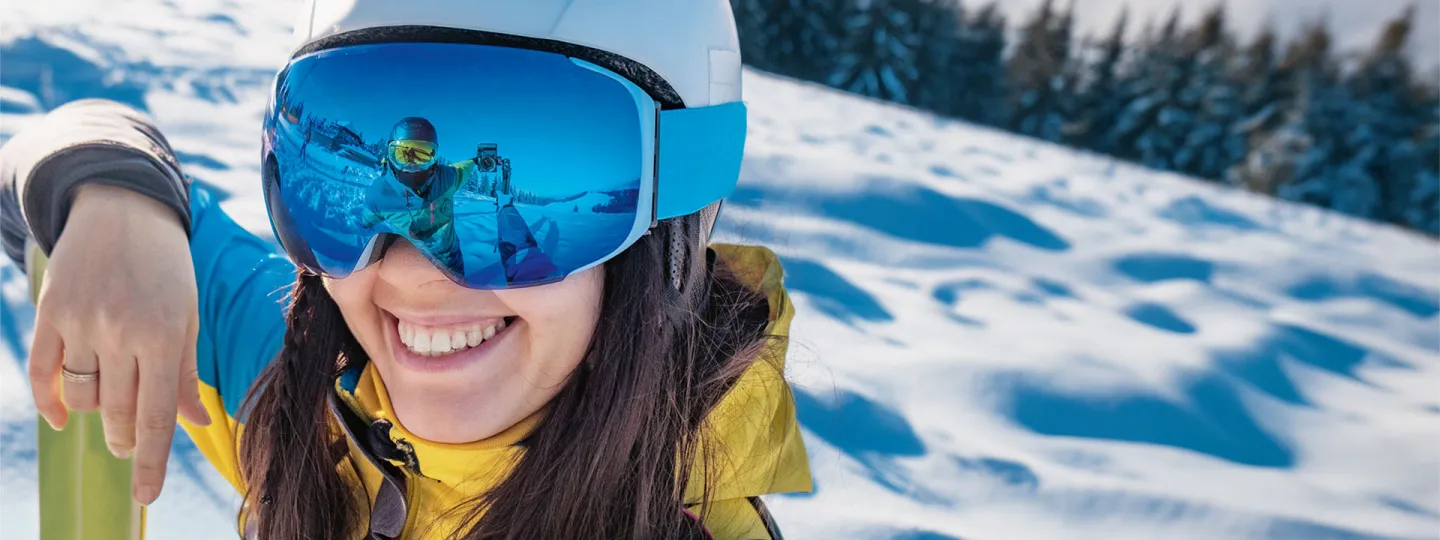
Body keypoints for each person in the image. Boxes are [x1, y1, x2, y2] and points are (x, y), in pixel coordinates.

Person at [0, 1, 808, 539]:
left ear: (663, 237)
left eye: (554, 159)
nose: (415, 273)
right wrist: (118, 200)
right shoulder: (309, 407)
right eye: (343, 220)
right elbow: (46, 166)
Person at [363, 117, 465, 275]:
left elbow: (464, 168)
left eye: (422, 157)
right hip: (410, 267)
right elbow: (364, 226)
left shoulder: (446, 178)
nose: (412, 167)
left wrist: (477, 160)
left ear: (434, 159)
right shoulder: (379, 193)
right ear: (390, 155)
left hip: (452, 263)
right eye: (402, 156)